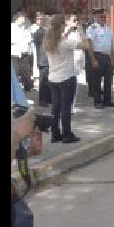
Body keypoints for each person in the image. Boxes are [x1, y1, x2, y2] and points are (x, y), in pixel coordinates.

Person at [43, 14, 90, 144]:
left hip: (53, 78)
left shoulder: (49, 42)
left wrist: (68, 30)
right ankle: (67, 134)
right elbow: (86, 45)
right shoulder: (66, 43)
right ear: (61, 26)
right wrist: (80, 31)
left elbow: (60, 39)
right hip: (67, 78)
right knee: (66, 108)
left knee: (56, 107)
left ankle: (55, 133)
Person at [86, 8, 114, 109]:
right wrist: (93, 59)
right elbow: (90, 45)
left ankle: (107, 100)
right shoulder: (92, 28)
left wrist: (113, 57)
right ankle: (98, 101)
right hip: (97, 55)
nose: (104, 18)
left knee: (109, 80)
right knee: (97, 80)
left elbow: (111, 44)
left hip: (107, 56)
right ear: (96, 17)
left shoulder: (108, 28)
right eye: (102, 16)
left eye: (105, 17)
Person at [30, 12, 51, 107]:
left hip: (49, 60)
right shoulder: (39, 32)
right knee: (43, 82)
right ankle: (42, 100)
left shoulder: (47, 31)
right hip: (43, 60)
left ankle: (49, 99)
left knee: (50, 81)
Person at [11, 13, 34, 92]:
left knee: (25, 70)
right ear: (17, 18)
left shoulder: (25, 28)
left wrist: (29, 50)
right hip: (15, 53)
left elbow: (29, 39)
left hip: (25, 52)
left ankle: (28, 86)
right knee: (15, 71)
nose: (24, 20)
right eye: (22, 18)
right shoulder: (12, 27)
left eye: (24, 18)